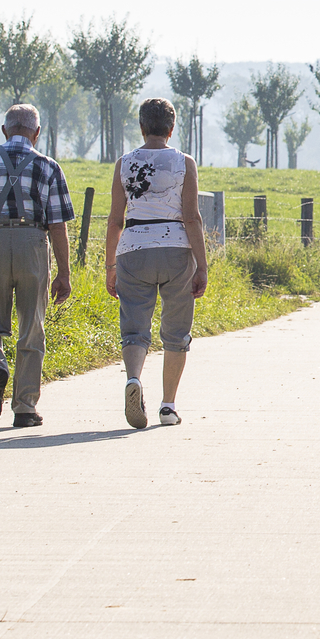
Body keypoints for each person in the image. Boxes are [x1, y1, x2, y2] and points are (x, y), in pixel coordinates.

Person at [0, 103, 75, 428]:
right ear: (37, 133)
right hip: (33, 243)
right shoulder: (49, 166)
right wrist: (63, 272)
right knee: (31, 327)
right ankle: (24, 408)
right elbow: (59, 225)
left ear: (5, 131)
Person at [102, 96, 208, 428]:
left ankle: (133, 378)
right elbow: (192, 217)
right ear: (171, 128)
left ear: (142, 126)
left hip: (133, 248)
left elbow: (114, 221)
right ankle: (167, 406)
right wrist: (202, 265)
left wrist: (109, 266)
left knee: (134, 328)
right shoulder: (184, 162)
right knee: (176, 333)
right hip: (176, 247)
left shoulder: (124, 163)